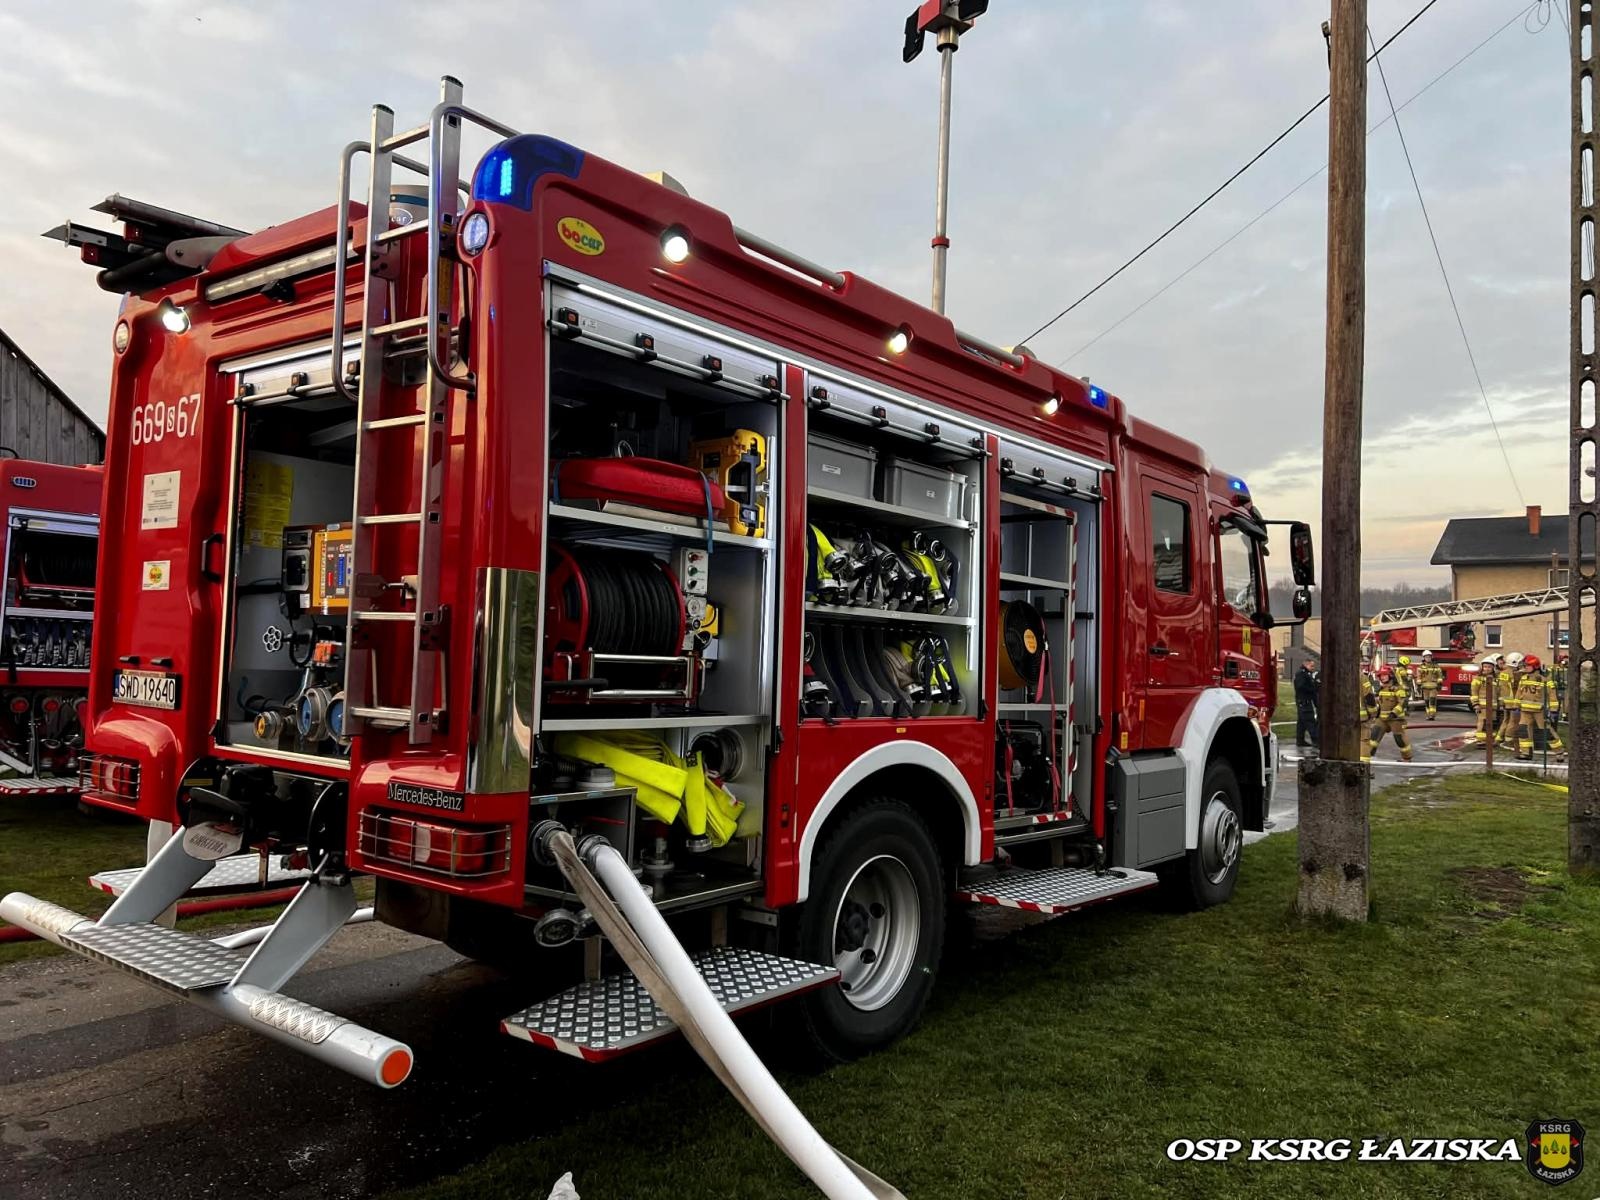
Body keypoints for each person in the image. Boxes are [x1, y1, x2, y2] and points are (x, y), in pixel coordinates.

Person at [1516, 655, 1565, 760]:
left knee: (1547, 732)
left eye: (1528, 666)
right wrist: (1516, 706)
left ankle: (1559, 752)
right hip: (1525, 710)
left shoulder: (1545, 680)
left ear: (1535, 666)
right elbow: (1519, 693)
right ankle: (1526, 753)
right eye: (1525, 665)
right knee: (1523, 731)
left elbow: (1552, 696)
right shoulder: (1523, 678)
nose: (1525, 668)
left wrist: (1553, 711)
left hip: (1540, 711)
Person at [1369, 664, 1413, 762]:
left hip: (1395, 719)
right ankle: (1367, 756)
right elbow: (1379, 703)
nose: (1382, 677)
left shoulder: (1398, 689)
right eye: (1381, 675)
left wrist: (1394, 713)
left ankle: (1407, 757)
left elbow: (1403, 703)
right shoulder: (1381, 689)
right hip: (1382, 719)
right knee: (1374, 736)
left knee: (1399, 739)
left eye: (1385, 675)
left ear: (1391, 675)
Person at [1293, 655, 1320, 749]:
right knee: (1310, 721)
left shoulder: (1306, 673)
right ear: (1306, 664)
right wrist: (1312, 689)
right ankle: (1316, 741)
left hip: (1304, 701)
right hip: (1304, 701)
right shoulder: (1302, 674)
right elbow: (1300, 687)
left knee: (1301, 722)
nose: (1313, 668)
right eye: (1311, 666)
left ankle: (1300, 740)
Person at [1495, 654, 1520, 748]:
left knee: (1506, 720)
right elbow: (1516, 687)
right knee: (1513, 721)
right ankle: (1508, 740)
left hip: (1505, 701)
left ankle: (1498, 739)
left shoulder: (1503, 673)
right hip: (1513, 701)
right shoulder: (1513, 674)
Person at [1469, 657, 1496, 746]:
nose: (1487, 669)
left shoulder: (1495, 679)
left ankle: (1489, 740)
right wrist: (1476, 704)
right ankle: (1481, 741)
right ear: (1482, 667)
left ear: (1493, 668)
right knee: (1483, 722)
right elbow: (1474, 692)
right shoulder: (1478, 678)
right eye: (1485, 667)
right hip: (1482, 706)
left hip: (1493, 706)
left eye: (1489, 667)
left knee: (1492, 723)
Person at [1417, 650, 1443, 720]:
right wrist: (1418, 686)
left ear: (1431, 657)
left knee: (1432, 701)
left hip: (1433, 687)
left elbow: (1440, 676)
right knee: (1426, 702)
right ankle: (1428, 715)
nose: (1428, 658)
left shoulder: (1436, 666)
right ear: (1424, 658)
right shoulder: (1420, 667)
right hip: (1425, 687)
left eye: (1429, 657)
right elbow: (1419, 677)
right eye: (1426, 657)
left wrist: (1440, 684)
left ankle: (1432, 715)